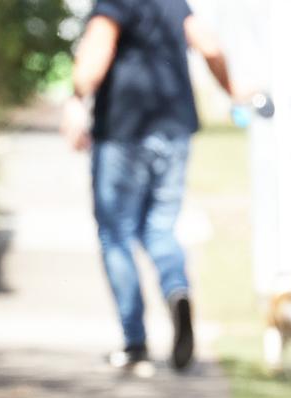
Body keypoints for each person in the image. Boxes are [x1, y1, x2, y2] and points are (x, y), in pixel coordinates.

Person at [67, 1, 240, 371]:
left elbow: (99, 46)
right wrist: (232, 91)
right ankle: (177, 290)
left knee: (116, 233)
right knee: (161, 228)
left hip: (123, 130)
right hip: (175, 129)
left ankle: (135, 342)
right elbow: (209, 46)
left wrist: (78, 97)